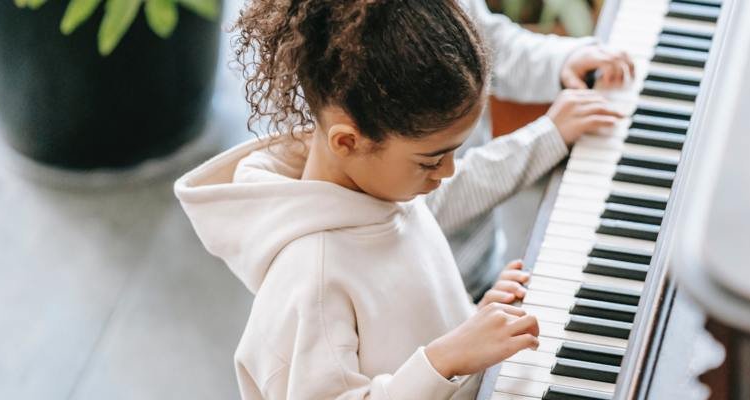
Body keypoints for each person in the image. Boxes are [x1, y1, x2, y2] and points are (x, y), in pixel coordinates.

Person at [174, 1, 624, 399]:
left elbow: (408, 336)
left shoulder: (386, 189)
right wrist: (447, 358)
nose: (448, 172)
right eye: (432, 160)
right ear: (348, 142)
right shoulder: (310, 278)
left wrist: (470, 322)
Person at [447, 0, 635, 301]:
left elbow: (487, 43)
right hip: (440, 297)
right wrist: (549, 136)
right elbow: (428, 197)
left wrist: (563, 61)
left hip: (488, 257)